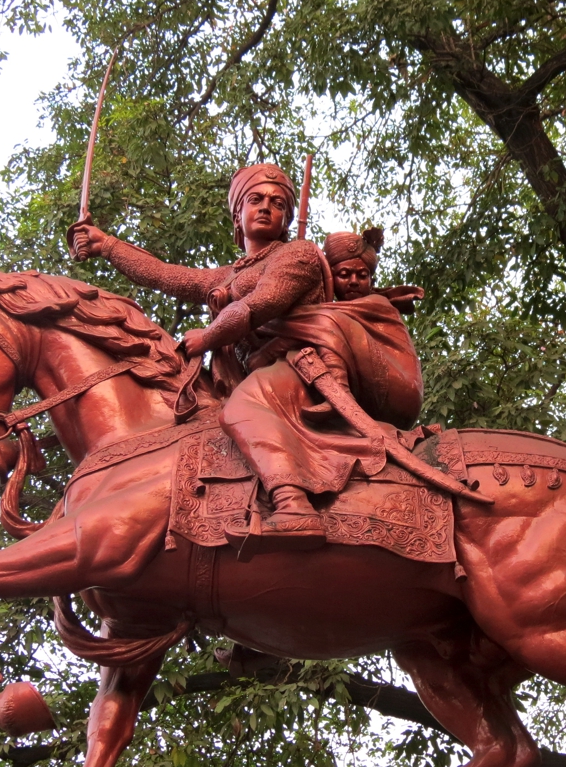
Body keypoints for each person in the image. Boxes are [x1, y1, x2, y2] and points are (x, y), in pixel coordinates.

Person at [69, 164, 424, 551]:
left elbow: (260, 303)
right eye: (255, 200)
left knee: (242, 410)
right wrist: (107, 245)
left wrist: (207, 336)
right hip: (255, 371)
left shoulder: (299, 254)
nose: (266, 208)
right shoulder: (229, 273)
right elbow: (165, 275)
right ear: (238, 213)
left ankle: (293, 506)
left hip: (297, 369)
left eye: (278, 204)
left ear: (288, 218)